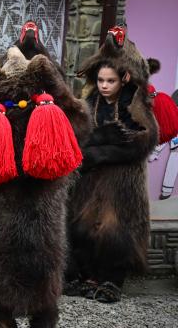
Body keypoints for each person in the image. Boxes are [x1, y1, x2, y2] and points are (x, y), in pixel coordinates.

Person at [66, 58, 158, 303]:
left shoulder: (135, 105)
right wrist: (98, 141)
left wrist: (102, 152)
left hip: (122, 181)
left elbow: (143, 142)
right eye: (101, 80)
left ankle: (111, 281)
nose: (104, 85)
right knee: (82, 227)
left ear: (123, 79)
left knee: (115, 229)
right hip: (91, 179)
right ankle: (88, 277)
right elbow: (77, 142)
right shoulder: (89, 104)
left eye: (111, 81)